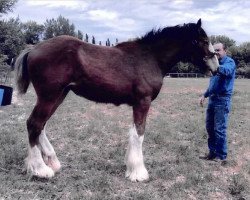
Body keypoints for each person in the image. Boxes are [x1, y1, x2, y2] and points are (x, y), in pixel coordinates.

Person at [200, 42, 236, 162]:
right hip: (212, 99)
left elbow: (226, 71)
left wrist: (215, 66)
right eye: (214, 51)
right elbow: (213, 84)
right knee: (210, 128)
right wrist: (204, 95)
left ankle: (221, 156)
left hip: (222, 99)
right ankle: (212, 153)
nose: (216, 53)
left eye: (218, 50)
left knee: (219, 129)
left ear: (225, 50)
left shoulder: (229, 62)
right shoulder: (216, 64)